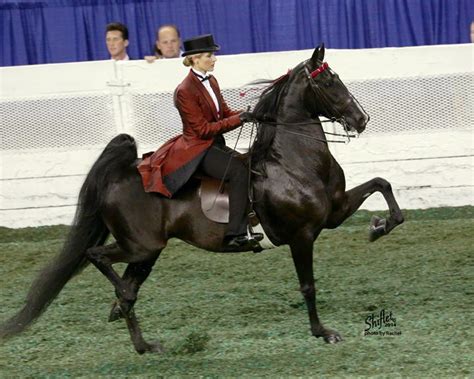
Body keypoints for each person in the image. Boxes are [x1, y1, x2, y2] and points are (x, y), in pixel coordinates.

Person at [138, 34, 257, 248]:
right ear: (195, 59)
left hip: (213, 144)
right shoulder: (185, 91)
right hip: (198, 150)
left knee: (249, 164)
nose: (214, 59)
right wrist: (239, 120)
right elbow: (202, 130)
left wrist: (248, 113)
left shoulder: (211, 80)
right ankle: (234, 234)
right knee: (238, 172)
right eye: (209, 56)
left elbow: (224, 112)